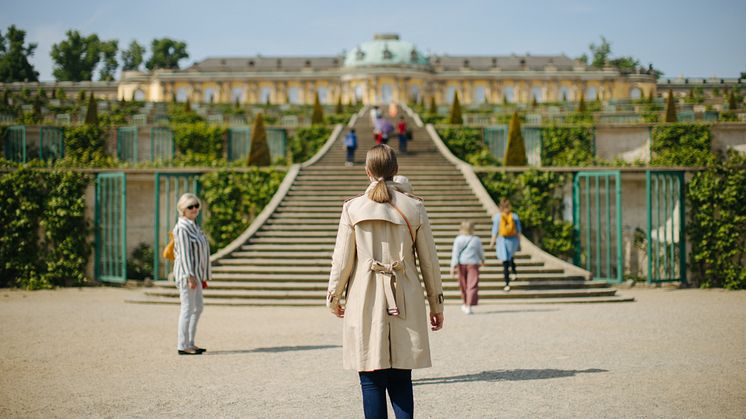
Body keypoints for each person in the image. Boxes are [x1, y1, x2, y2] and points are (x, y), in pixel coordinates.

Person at [327, 144, 444, 419]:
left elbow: (342, 261)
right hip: (406, 298)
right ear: (396, 170)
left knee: (371, 380)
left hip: (364, 297)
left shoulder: (352, 208)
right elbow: (429, 262)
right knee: (402, 380)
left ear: (367, 171)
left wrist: (334, 298)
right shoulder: (414, 207)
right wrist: (436, 304)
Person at [173, 193, 211, 355]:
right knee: (188, 308)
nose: (195, 209)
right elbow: (184, 254)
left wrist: (201, 275)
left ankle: (190, 342)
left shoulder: (194, 226)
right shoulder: (181, 228)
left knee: (198, 308)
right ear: (182, 209)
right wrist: (190, 276)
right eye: (190, 206)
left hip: (197, 274)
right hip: (188, 275)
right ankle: (182, 345)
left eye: (196, 206)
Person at [450, 221, 485, 314]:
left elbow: (455, 254)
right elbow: (480, 252)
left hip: (461, 264)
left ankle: (465, 303)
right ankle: (469, 305)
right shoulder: (476, 239)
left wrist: (452, 267)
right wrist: (483, 260)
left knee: (463, 285)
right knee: (472, 285)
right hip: (473, 264)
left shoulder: (458, 239)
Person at [490, 198, 522, 291]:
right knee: (510, 258)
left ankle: (507, 283)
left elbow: (495, 231)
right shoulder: (514, 216)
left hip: (502, 241)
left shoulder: (497, 217)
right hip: (512, 241)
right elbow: (518, 231)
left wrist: (492, 242)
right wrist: (519, 243)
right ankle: (514, 273)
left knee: (505, 262)